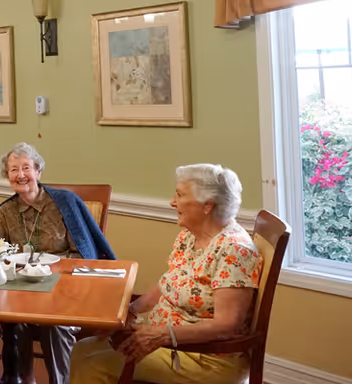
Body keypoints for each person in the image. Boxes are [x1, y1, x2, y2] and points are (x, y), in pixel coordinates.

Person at [69, 164, 263, 384]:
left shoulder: (234, 250)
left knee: (93, 365)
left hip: (205, 358)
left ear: (207, 205)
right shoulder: (189, 237)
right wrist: (130, 312)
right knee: (82, 348)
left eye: (180, 195)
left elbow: (227, 324)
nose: (172, 202)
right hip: (169, 341)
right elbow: (167, 284)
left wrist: (163, 334)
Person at [0, 142, 115, 384]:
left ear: (38, 171)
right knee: (16, 320)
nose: (20, 175)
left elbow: (83, 255)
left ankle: (62, 381)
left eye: (26, 167)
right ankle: (25, 379)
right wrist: (2, 259)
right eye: (13, 170)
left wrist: (50, 269)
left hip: (65, 289)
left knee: (53, 325)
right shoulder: (6, 212)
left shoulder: (64, 203)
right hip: (24, 291)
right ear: (7, 176)